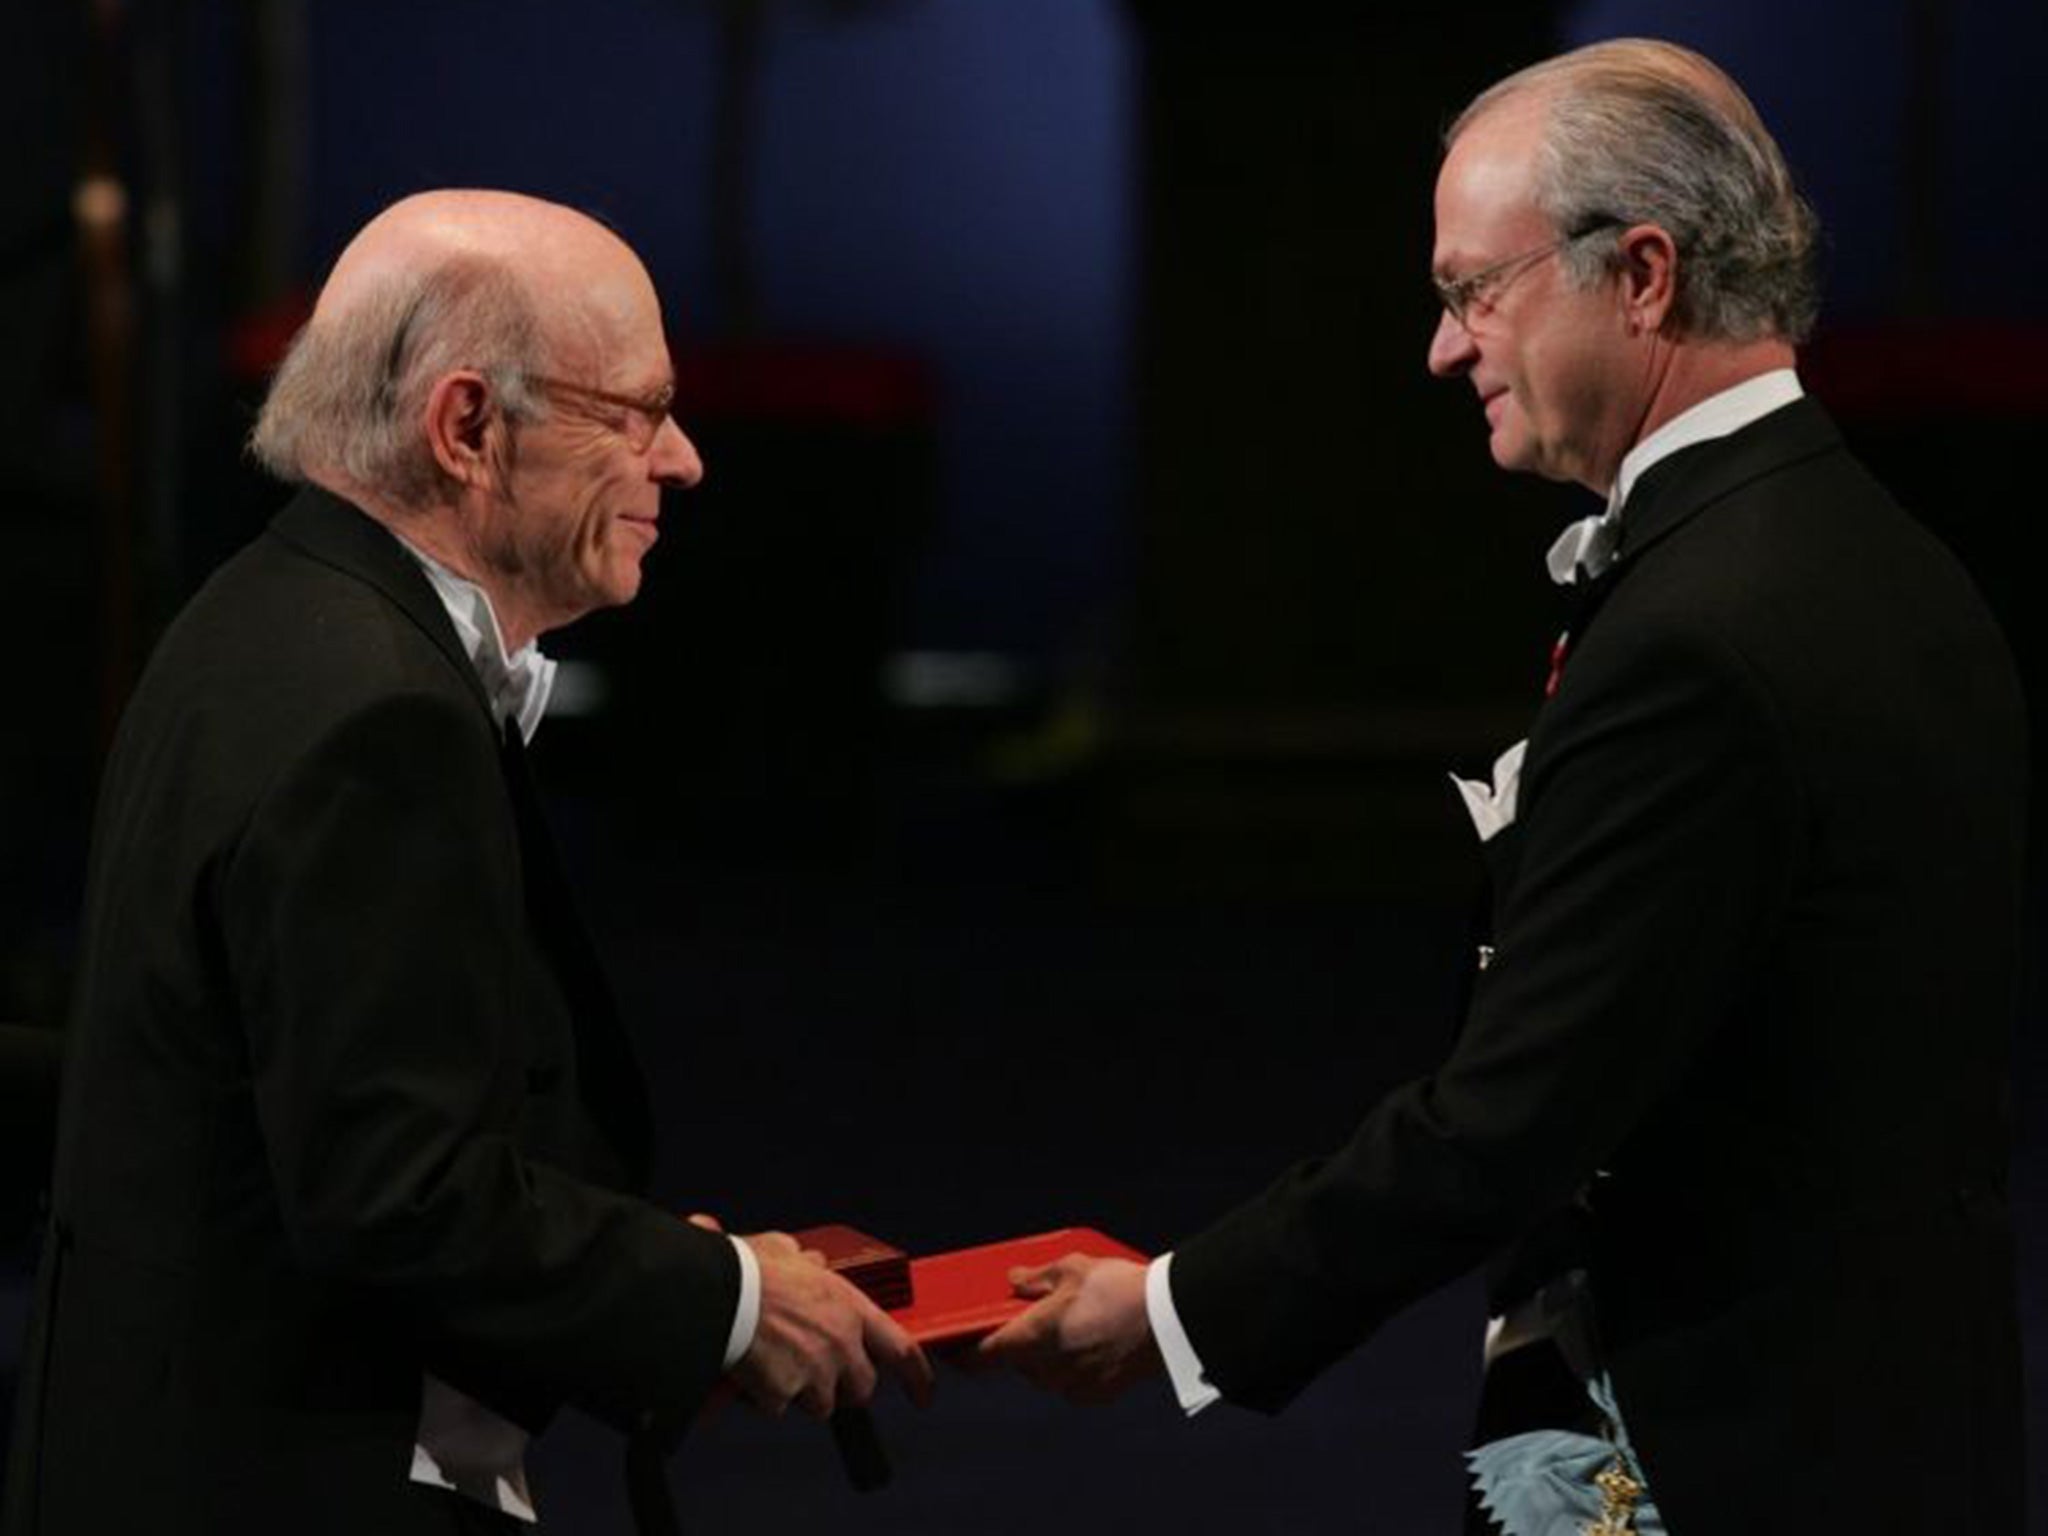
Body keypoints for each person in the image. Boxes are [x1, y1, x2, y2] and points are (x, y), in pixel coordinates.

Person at [981, 39, 2027, 1534]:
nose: (1445, 346)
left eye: (1474, 289)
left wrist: (1173, 1308)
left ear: (1644, 275)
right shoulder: (1886, 562)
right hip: (1900, 1418)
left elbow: (1513, 1117)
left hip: (1723, 1446)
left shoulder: (1702, 632)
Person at [1, 190, 930, 1536]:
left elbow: (309, 1100)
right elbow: (394, 1192)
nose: (684, 462)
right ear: (467, 428)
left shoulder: (263, 612)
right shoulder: (375, 711)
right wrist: (725, 1305)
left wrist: (667, 1266)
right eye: (637, 412)